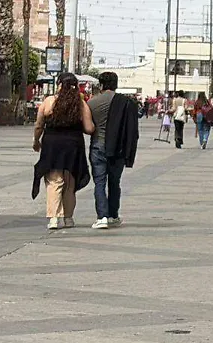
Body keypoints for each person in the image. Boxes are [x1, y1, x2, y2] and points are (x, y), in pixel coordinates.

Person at [32, 72, 94, 230]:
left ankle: (53, 218)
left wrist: (36, 141)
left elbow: (39, 125)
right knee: (69, 182)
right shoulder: (80, 104)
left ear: (59, 85)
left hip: (52, 145)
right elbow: (89, 128)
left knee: (54, 181)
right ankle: (68, 218)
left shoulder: (49, 101)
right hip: (73, 146)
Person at [87, 72, 140, 230]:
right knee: (115, 182)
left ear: (101, 85)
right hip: (118, 147)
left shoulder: (92, 103)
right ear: (116, 84)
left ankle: (102, 216)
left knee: (99, 182)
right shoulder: (126, 102)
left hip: (98, 145)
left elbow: (88, 126)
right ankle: (113, 215)